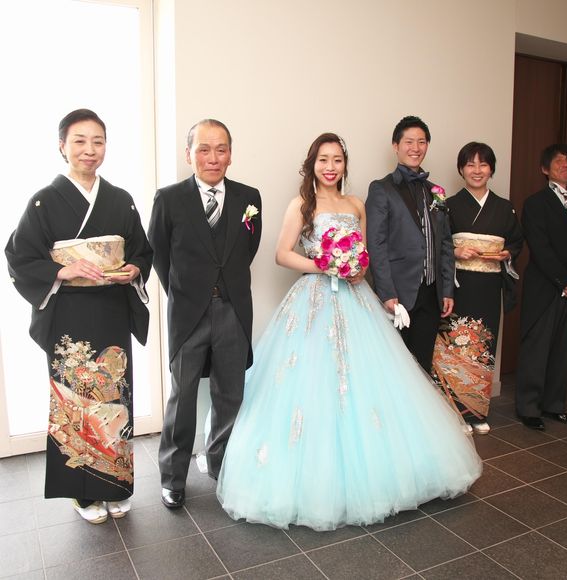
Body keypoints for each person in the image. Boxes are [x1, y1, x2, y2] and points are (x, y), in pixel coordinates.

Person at [216, 133, 482, 531]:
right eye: (323, 160)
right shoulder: (301, 204)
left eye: (337, 160)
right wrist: (325, 265)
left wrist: (357, 267)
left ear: (344, 165)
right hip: (314, 298)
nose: (330, 167)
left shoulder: (356, 204)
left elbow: (367, 253)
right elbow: (282, 254)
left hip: (356, 299)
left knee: (369, 380)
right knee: (313, 382)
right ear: (312, 165)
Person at [5, 109, 152, 524]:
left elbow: (142, 250)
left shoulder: (120, 199)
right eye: (80, 141)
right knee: (76, 400)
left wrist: (134, 268)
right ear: (62, 146)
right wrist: (61, 270)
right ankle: (83, 494)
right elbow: (19, 256)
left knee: (115, 396)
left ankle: (116, 486)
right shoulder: (44, 201)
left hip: (111, 311)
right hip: (68, 316)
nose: (90, 150)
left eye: (98, 141)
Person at [148, 119, 262, 509]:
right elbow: (160, 255)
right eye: (204, 149)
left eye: (221, 149)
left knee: (230, 393)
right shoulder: (169, 199)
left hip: (233, 309)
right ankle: (173, 478)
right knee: (182, 398)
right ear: (189, 154)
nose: (213, 158)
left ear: (230, 154)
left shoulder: (249, 197)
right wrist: (187, 293)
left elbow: (247, 250)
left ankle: (220, 464)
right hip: (189, 313)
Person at [431, 142, 523, 435]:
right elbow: (437, 243)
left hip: (489, 285)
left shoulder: (504, 207)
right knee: (453, 347)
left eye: (483, 164)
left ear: (491, 169)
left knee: (482, 346)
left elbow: (515, 241)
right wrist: (456, 251)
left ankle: (476, 412)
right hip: (458, 285)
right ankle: (453, 413)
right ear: (461, 169)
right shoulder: (449, 205)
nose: (477, 170)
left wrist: (506, 253)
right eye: (470, 164)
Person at [366, 116, 455, 373]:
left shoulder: (436, 191)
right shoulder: (381, 189)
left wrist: (447, 289)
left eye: (422, 142)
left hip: (431, 293)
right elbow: (376, 244)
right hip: (398, 293)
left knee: (423, 365)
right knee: (396, 368)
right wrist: (386, 293)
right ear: (396, 146)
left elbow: (445, 243)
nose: (416, 148)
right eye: (409, 142)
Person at [516, 144, 567, 430]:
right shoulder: (535, 203)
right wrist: (565, 281)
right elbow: (539, 248)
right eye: (558, 161)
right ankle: (529, 408)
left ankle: (554, 405)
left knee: (562, 348)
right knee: (537, 347)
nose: (565, 165)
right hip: (545, 286)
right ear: (545, 169)